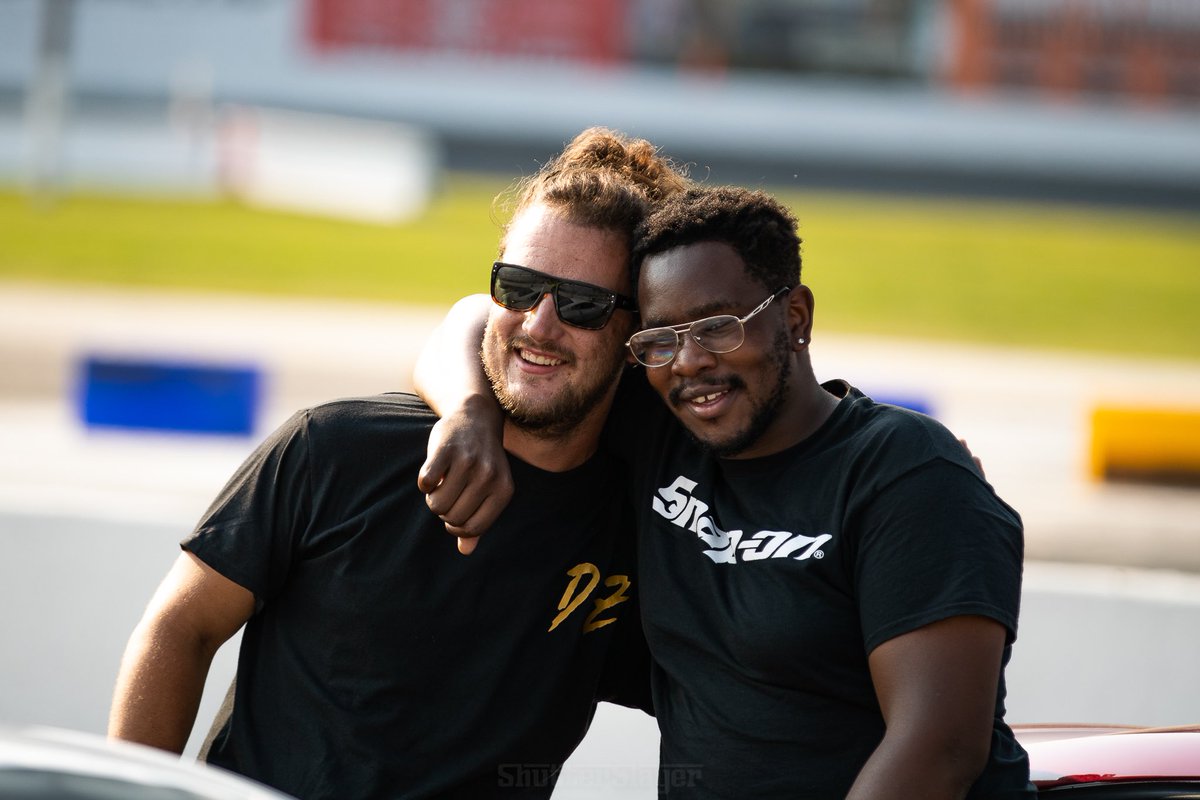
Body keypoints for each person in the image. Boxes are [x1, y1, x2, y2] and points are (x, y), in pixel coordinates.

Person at [106, 127, 691, 799]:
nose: (538, 324)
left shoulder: (646, 524)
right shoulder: (335, 448)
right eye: (519, 286)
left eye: (583, 305)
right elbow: (181, 627)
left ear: (637, 330)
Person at [415, 185, 1035, 798]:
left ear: (795, 318)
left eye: (717, 328)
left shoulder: (902, 473)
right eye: (661, 338)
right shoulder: (669, 426)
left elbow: (941, 750)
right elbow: (475, 318)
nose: (688, 361)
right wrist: (470, 414)